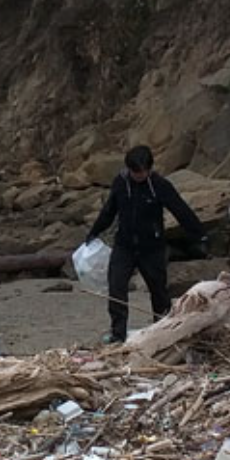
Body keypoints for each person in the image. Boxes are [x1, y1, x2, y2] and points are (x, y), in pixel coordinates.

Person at [85, 145, 206, 343]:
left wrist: (200, 236)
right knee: (116, 288)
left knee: (158, 290)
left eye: (143, 172)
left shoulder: (159, 185)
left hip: (152, 247)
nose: (139, 176)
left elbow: (180, 209)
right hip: (124, 245)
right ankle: (118, 333)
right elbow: (109, 211)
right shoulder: (121, 183)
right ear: (128, 169)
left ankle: (164, 329)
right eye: (135, 172)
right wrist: (94, 232)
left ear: (150, 169)